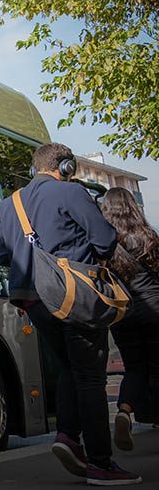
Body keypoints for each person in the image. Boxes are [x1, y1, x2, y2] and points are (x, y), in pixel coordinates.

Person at [0, 143, 139, 486]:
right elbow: (104, 240)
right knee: (90, 377)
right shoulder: (70, 193)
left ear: (33, 169)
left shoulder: (8, 205)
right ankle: (101, 463)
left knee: (71, 368)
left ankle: (69, 437)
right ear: (67, 166)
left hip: (32, 300)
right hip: (75, 296)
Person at [101, 187, 159, 453]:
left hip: (123, 314)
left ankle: (124, 410)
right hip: (154, 309)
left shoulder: (106, 244)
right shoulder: (149, 237)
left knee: (134, 368)